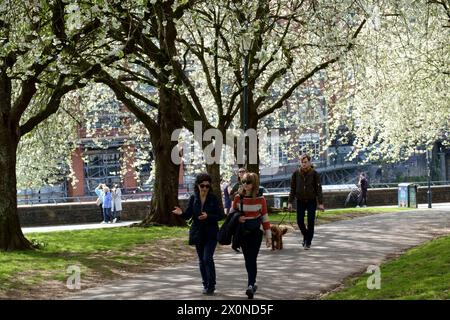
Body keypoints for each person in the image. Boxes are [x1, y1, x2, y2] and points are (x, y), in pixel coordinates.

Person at [172, 173, 222, 295]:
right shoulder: (193, 198)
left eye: (207, 186)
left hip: (211, 233)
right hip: (198, 233)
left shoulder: (213, 198)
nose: (205, 188)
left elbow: (220, 215)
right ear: (197, 185)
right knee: (201, 260)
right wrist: (181, 213)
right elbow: (189, 214)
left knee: (207, 258)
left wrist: (208, 216)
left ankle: (211, 285)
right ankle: (205, 284)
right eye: (202, 186)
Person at [231, 172, 271, 299]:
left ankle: (250, 285)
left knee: (252, 258)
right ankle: (252, 284)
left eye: (248, 182)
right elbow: (231, 215)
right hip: (243, 232)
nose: (245, 184)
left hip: (256, 233)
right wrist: (238, 218)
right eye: (243, 182)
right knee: (248, 259)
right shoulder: (238, 198)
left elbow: (265, 217)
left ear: (254, 184)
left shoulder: (261, 199)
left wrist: (269, 236)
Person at [287, 154, 324, 250]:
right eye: (302, 162)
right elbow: (292, 189)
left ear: (309, 162)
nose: (304, 164)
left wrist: (320, 203)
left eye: (305, 162)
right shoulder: (296, 173)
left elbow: (318, 189)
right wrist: (290, 202)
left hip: (311, 201)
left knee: (310, 222)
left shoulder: (314, 173)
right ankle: (306, 236)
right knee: (299, 221)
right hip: (300, 201)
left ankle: (308, 242)